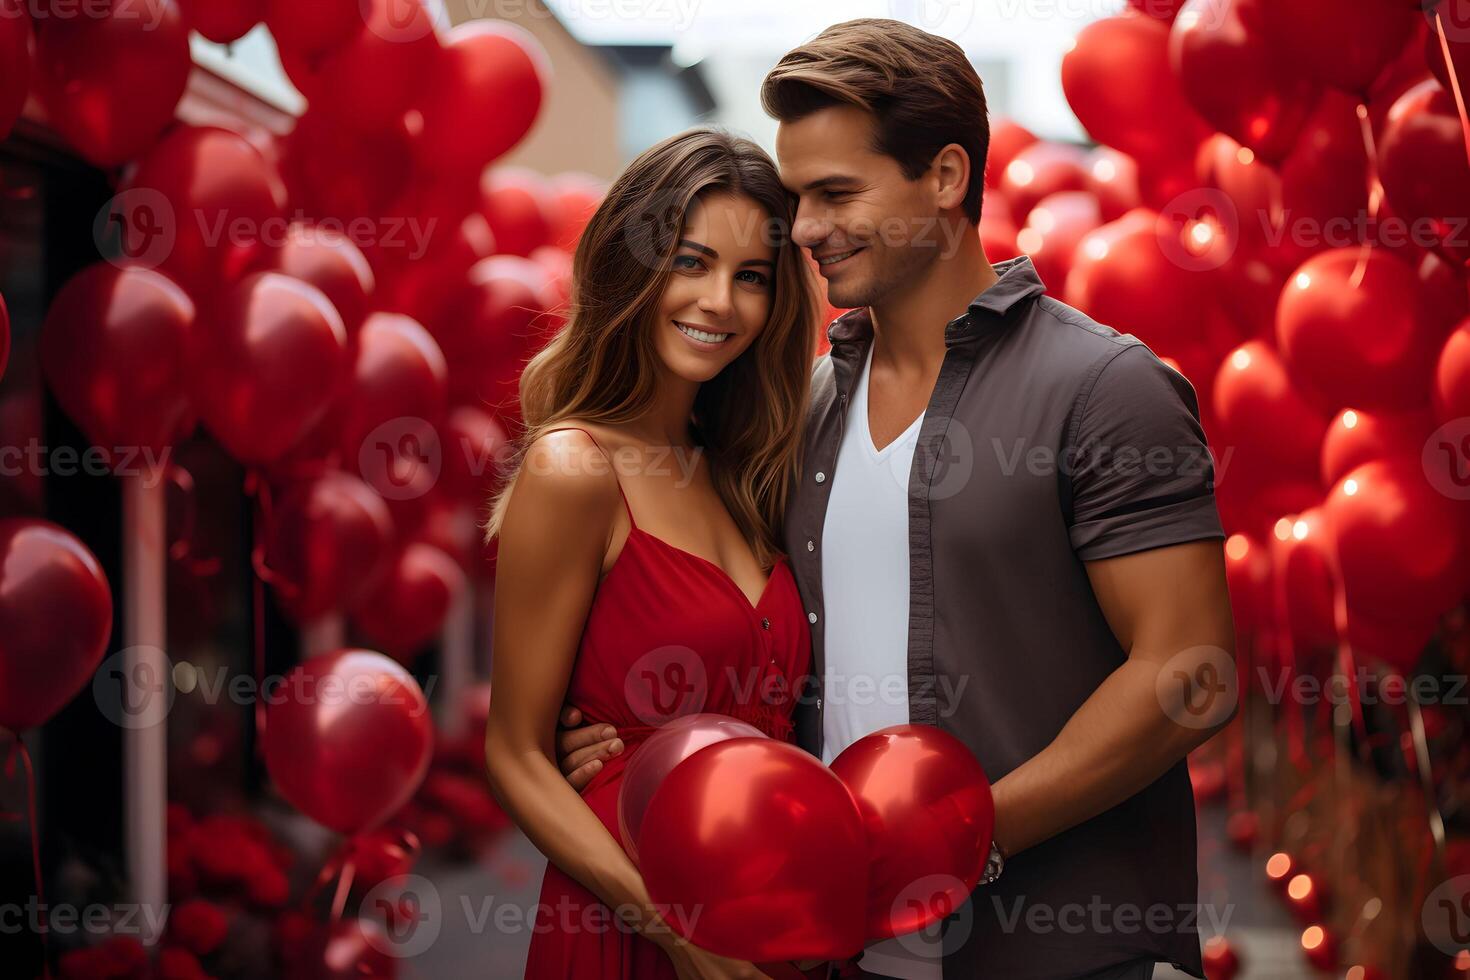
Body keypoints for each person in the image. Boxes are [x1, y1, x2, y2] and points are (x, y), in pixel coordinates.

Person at [555, 19, 1236, 980]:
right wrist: (619, 743)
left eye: (837, 193)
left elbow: (1191, 678)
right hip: (837, 953)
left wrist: (962, 834)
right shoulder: (803, 407)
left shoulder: (1104, 387)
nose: (806, 228)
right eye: (796, 197)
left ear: (948, 177)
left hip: (1058, 953)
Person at [481, 127, 823, 980]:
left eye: (751, 278)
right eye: (691, 262)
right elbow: (515, 755)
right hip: (629, 925)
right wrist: (677, 934)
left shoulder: (749, 472)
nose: (720, 303)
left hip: (773, 914)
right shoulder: (575, 470)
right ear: (630, 265)